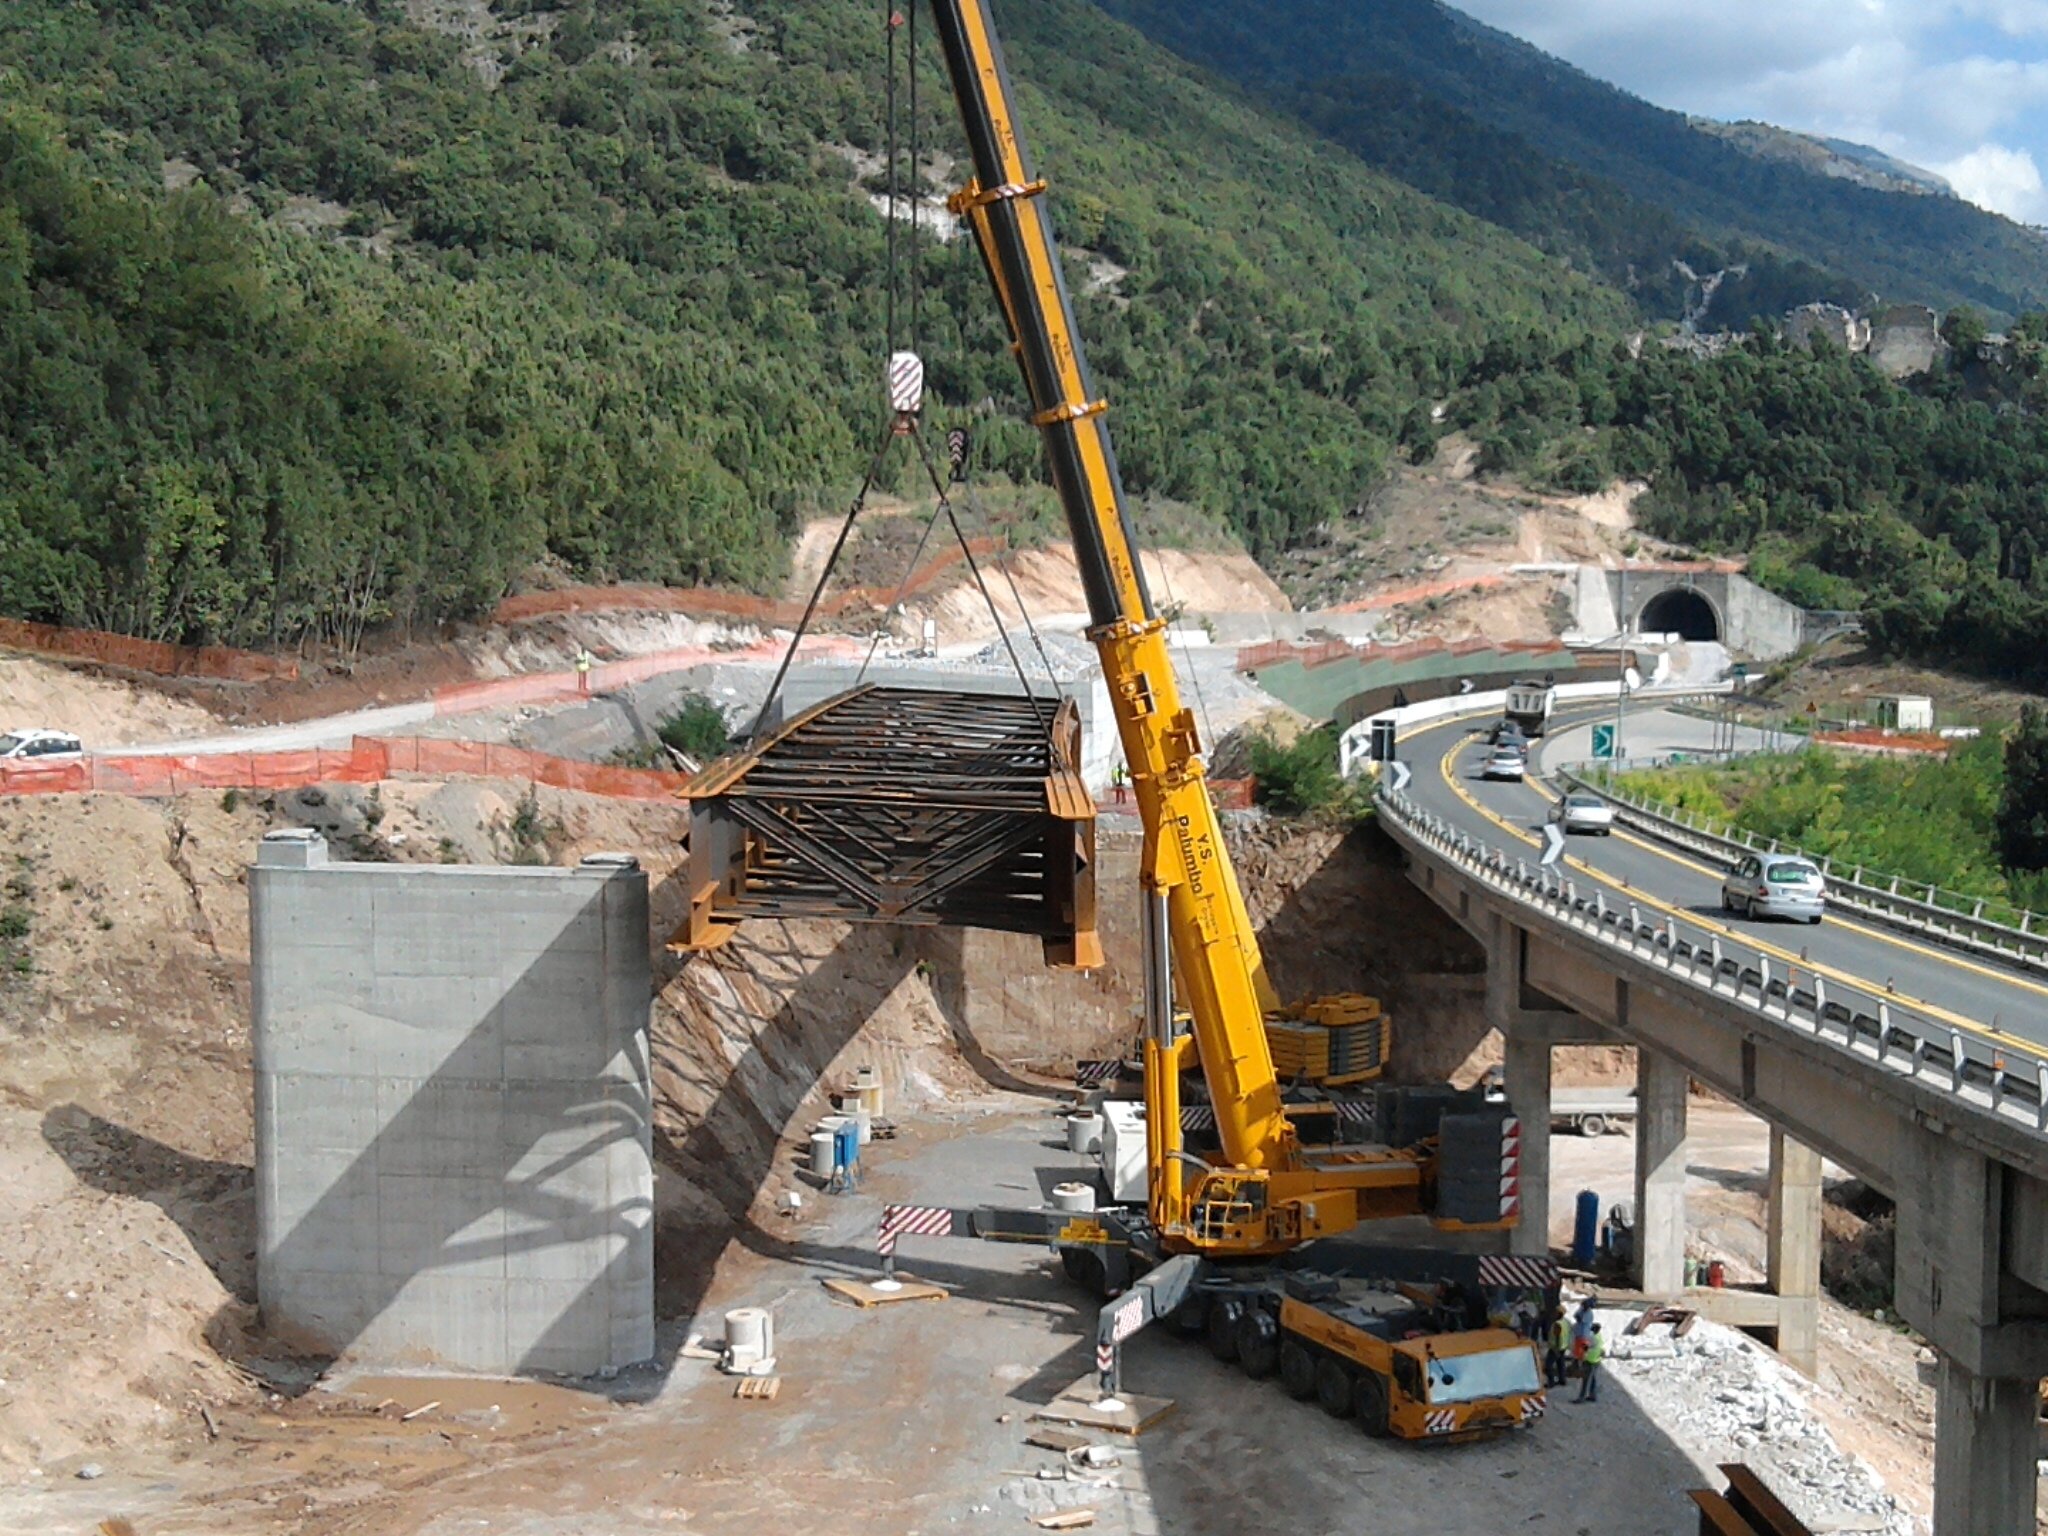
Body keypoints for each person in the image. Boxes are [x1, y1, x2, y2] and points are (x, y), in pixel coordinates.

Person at [1574, 1323, 1606, 1403]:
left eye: (1592, 1328)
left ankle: (1581, 1398)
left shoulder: (1593, 1338)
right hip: (1597, 1360)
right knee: (1593, 1379)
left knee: (1586, 1380)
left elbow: (1585, 1347)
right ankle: (1593, 1395)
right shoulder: (1599, 1337)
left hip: (1590, 1361)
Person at [1544, 1310, 1570, 1389]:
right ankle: (1562, 1380)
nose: (1554, 1314)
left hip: (1555, 1348)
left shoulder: (1557, 1324)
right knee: (1560, 1364)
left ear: (1559, 1314)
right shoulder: (1565, 1322)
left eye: (1555, 1313)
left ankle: (1551, 1382)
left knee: (1548, 1365)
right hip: (1563, 1347)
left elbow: (1558, 1337)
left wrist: (1556, 1349)